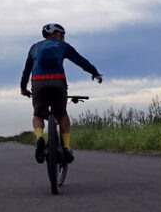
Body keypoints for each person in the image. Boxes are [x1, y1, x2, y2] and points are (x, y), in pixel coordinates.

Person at [21, 23, 102, 164]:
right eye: (62, 35)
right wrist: (95, 72)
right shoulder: (63, 46)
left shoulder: (34, 47)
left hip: (38, 83)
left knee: (38, 114)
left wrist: (23, 88)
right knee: (62, 114)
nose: (63, 38)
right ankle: (66, 147)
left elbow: (26, 71)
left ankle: (40, 138)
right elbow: (81, 61)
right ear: (57, 34)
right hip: (58, 82)